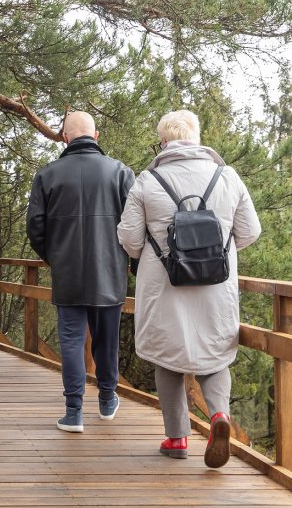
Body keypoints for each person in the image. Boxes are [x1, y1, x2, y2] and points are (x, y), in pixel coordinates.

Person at [117, 110, 261, 467]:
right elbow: (250, 231)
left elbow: (129, 239)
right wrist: (213, 254)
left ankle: (177, 437)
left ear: (163, 142)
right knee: (214, 354)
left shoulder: (147, 181)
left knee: (167, 358)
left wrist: (160, 254)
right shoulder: (227, 176)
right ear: (197, 138)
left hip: (165, 285)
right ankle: (218, 417)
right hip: (217, 286)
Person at [26, 111, 134, 433]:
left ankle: (74, 412)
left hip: (69, 273)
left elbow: (35, 227)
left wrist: (55, 257)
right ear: (96, 136)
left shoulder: (47, 175)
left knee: (72, 341)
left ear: (64, 137)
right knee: (107, 340)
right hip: (110, 273)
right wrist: (124, 259)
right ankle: (107, 399)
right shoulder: (120, 172)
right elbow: (134, 225)